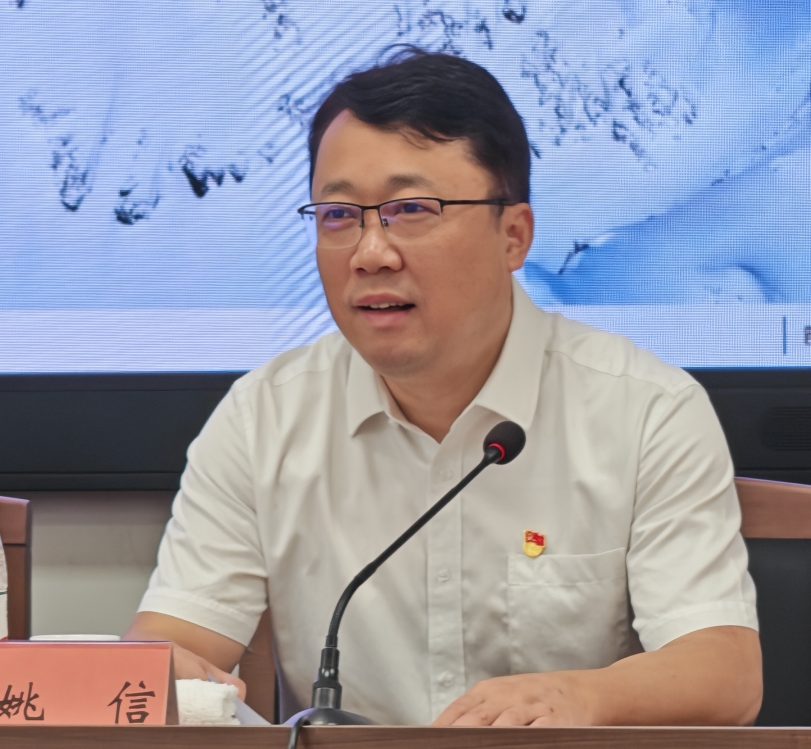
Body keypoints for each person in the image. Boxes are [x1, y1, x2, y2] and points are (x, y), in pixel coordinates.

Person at [124, 49, 761, 727]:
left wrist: (574, 697)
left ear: (513, 235)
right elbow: (170, 651)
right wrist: (162, 673)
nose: (370, 253)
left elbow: (722, 671)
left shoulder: (647, 411)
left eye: (410, 209)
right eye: (338, 215)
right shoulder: (264, 418)